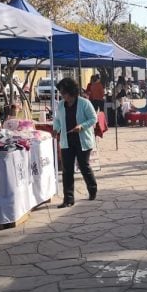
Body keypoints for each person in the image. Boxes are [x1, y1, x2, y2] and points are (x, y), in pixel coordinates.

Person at [53, 77, 98, 208]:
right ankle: (68, 199)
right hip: (66, 141)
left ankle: (92, 189)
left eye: (64, 92)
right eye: (61, 93)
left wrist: (82, 126)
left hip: (82, 140)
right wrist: (56, 129)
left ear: (71, 91)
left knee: (84, 166)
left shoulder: (84, 103)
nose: (62, 95)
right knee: (67, 170)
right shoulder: (61, 104)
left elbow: (93, 118)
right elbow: (57, 120)